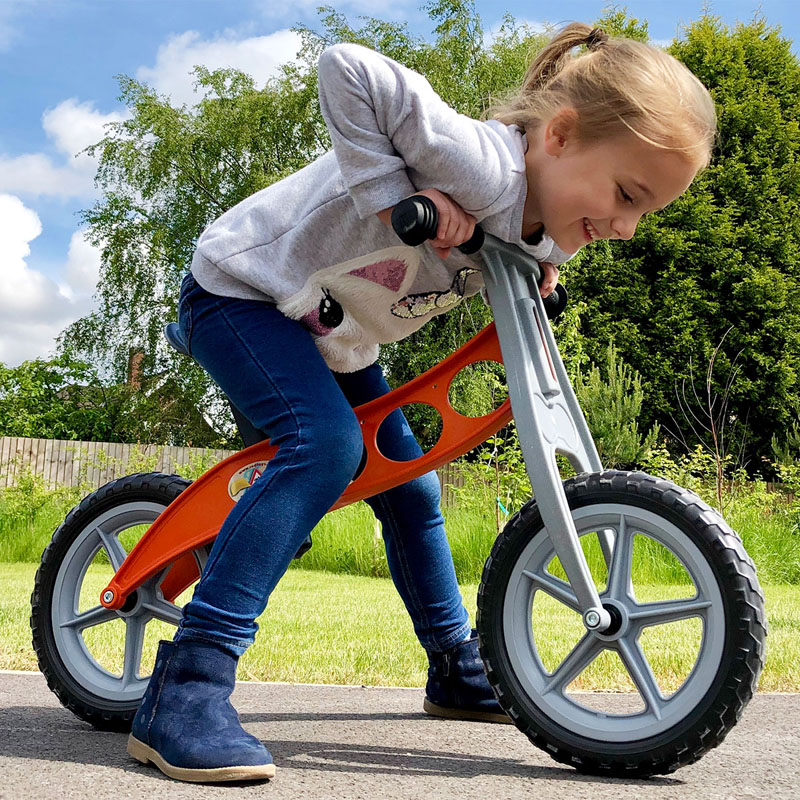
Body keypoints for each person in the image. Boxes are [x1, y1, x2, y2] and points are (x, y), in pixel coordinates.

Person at [126, 22, 716, 783]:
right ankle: (188, 687)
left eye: (648, 212)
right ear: (560, 136)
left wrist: (538, 269)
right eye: (627, 195)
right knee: (327, 448)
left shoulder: (558, 225)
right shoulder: (476, 160)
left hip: (333, 337)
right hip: (246, 291)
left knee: (411, 483)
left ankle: (456, 667)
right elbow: (348, 68)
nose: (628, 227)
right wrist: (393, 197)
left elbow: (526, 244)